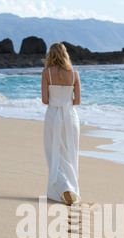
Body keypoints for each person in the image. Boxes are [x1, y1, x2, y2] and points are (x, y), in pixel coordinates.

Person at [42, 43, 81, 205]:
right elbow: (77, 101)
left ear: (51, 54)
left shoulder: (47, 73)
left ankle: (64, 186)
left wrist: (56, 100)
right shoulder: (74, 74)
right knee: (71, 153)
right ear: (65, 54)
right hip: (70, 117)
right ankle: (70, 186)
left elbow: (45, 100)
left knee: (54, 153)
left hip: (53, 115)